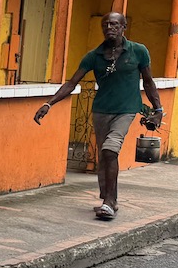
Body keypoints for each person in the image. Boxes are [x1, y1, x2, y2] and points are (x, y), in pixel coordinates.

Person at [33, 11, 163, 221]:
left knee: (111, 150)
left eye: (114, 24)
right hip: (101, 110)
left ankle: (109, 203)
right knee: (105, 156)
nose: (109, 28)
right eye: (105, 25)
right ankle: (110, 198)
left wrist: (158, 110)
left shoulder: (138, 51)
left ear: (123, 27)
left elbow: (148, 82)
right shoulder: (94, 56)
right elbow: (71, 83)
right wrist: (49, 103)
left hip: (126, 110)